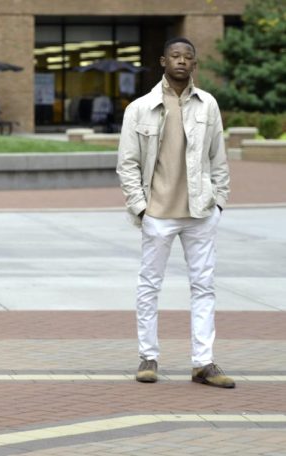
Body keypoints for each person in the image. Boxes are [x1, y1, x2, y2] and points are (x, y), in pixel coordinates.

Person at [117, 37, 233, 388]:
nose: (181, 61)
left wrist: (219, 202)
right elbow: (127, 164)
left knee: (204, 286)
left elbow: (219, 158)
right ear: (162, 61)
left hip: (200, 211)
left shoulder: (207, 105)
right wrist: (141, 208)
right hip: (158, 213)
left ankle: (203, 363)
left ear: (194, 65)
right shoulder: (139, 108)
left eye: (188, 57)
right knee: (149, 286)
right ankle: (148, 357)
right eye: (175, 56)